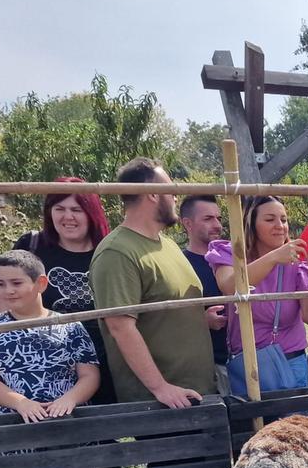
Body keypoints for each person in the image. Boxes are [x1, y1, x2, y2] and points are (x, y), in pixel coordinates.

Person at [90, 157, 215, 408]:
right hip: (162, 404)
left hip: (197, 393)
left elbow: (162, 306)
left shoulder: (166, 243)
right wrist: (160, 388)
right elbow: (120, 326)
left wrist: (201, 318)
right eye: (170, 189)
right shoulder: (117, 252)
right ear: (152, 194)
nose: (176, 197)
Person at [207, 196, 308, 395]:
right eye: (270, 219)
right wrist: (273, 257)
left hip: (293, 362)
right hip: (249, 364)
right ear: (250, 223)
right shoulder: (231, 253)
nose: (280, 226)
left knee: (294, 426)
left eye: (284, 219)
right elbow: (231, 287)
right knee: (255, 426)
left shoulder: (301, 260)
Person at [12, 179, 116, 404]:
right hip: (48, 364)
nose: (67, 216)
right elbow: (7, 299)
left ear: (91, 212)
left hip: (109, 358)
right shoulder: (33, 246)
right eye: (59, 209)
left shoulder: (111, 250)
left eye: (76, 209)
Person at [0, 250, 100, 421]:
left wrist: (71, 398)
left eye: (16, 283)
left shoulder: (70, 325)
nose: (8, 290)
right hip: (16, 424)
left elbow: (89, 375)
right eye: (1, 284)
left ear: (41, 283)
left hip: (69, 420)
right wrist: (21, 403)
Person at [179, 195, 231, 396]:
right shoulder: (180, 264)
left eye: (218, 218)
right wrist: (202, 321)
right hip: (207, 367)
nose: (217, 224)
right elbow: (165, 319)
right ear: (188, 224)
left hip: (246, 360)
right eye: (208, 219)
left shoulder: (233, 259)